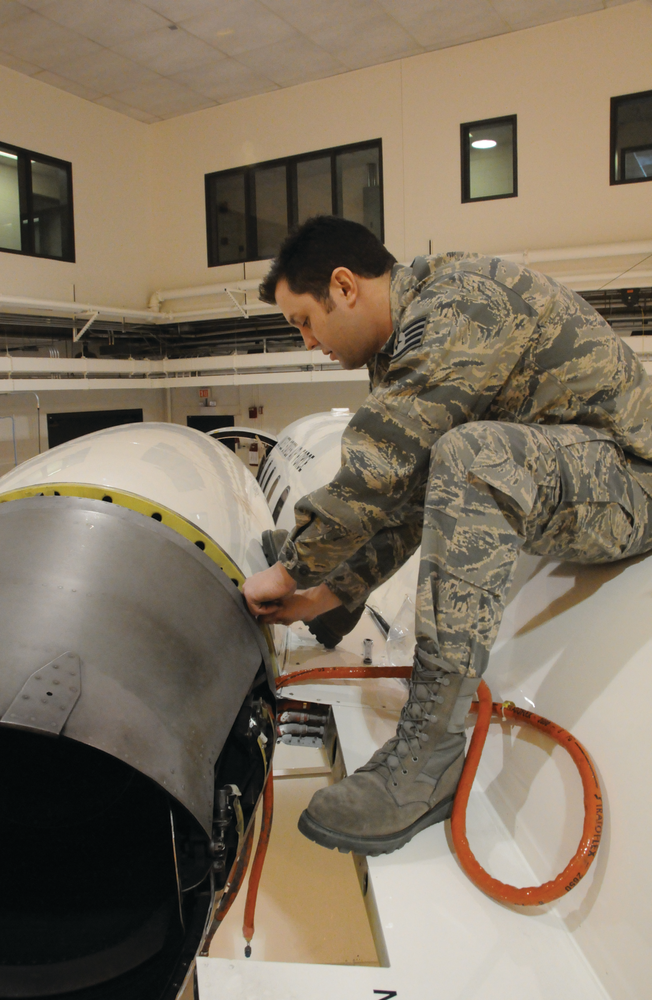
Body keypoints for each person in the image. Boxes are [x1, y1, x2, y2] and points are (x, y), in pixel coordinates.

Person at [243, 215, 652, 857]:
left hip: (634, 481)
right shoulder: (413, 332)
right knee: (456, 456)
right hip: (581, 469)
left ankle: (429, 756)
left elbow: (381, 466)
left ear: (344, 287)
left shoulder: (462, 305)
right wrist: (332, 593)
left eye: (303, 321)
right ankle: (343, 613)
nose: (307, 341)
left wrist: (294, 570)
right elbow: (410, 488)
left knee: (475, 456)